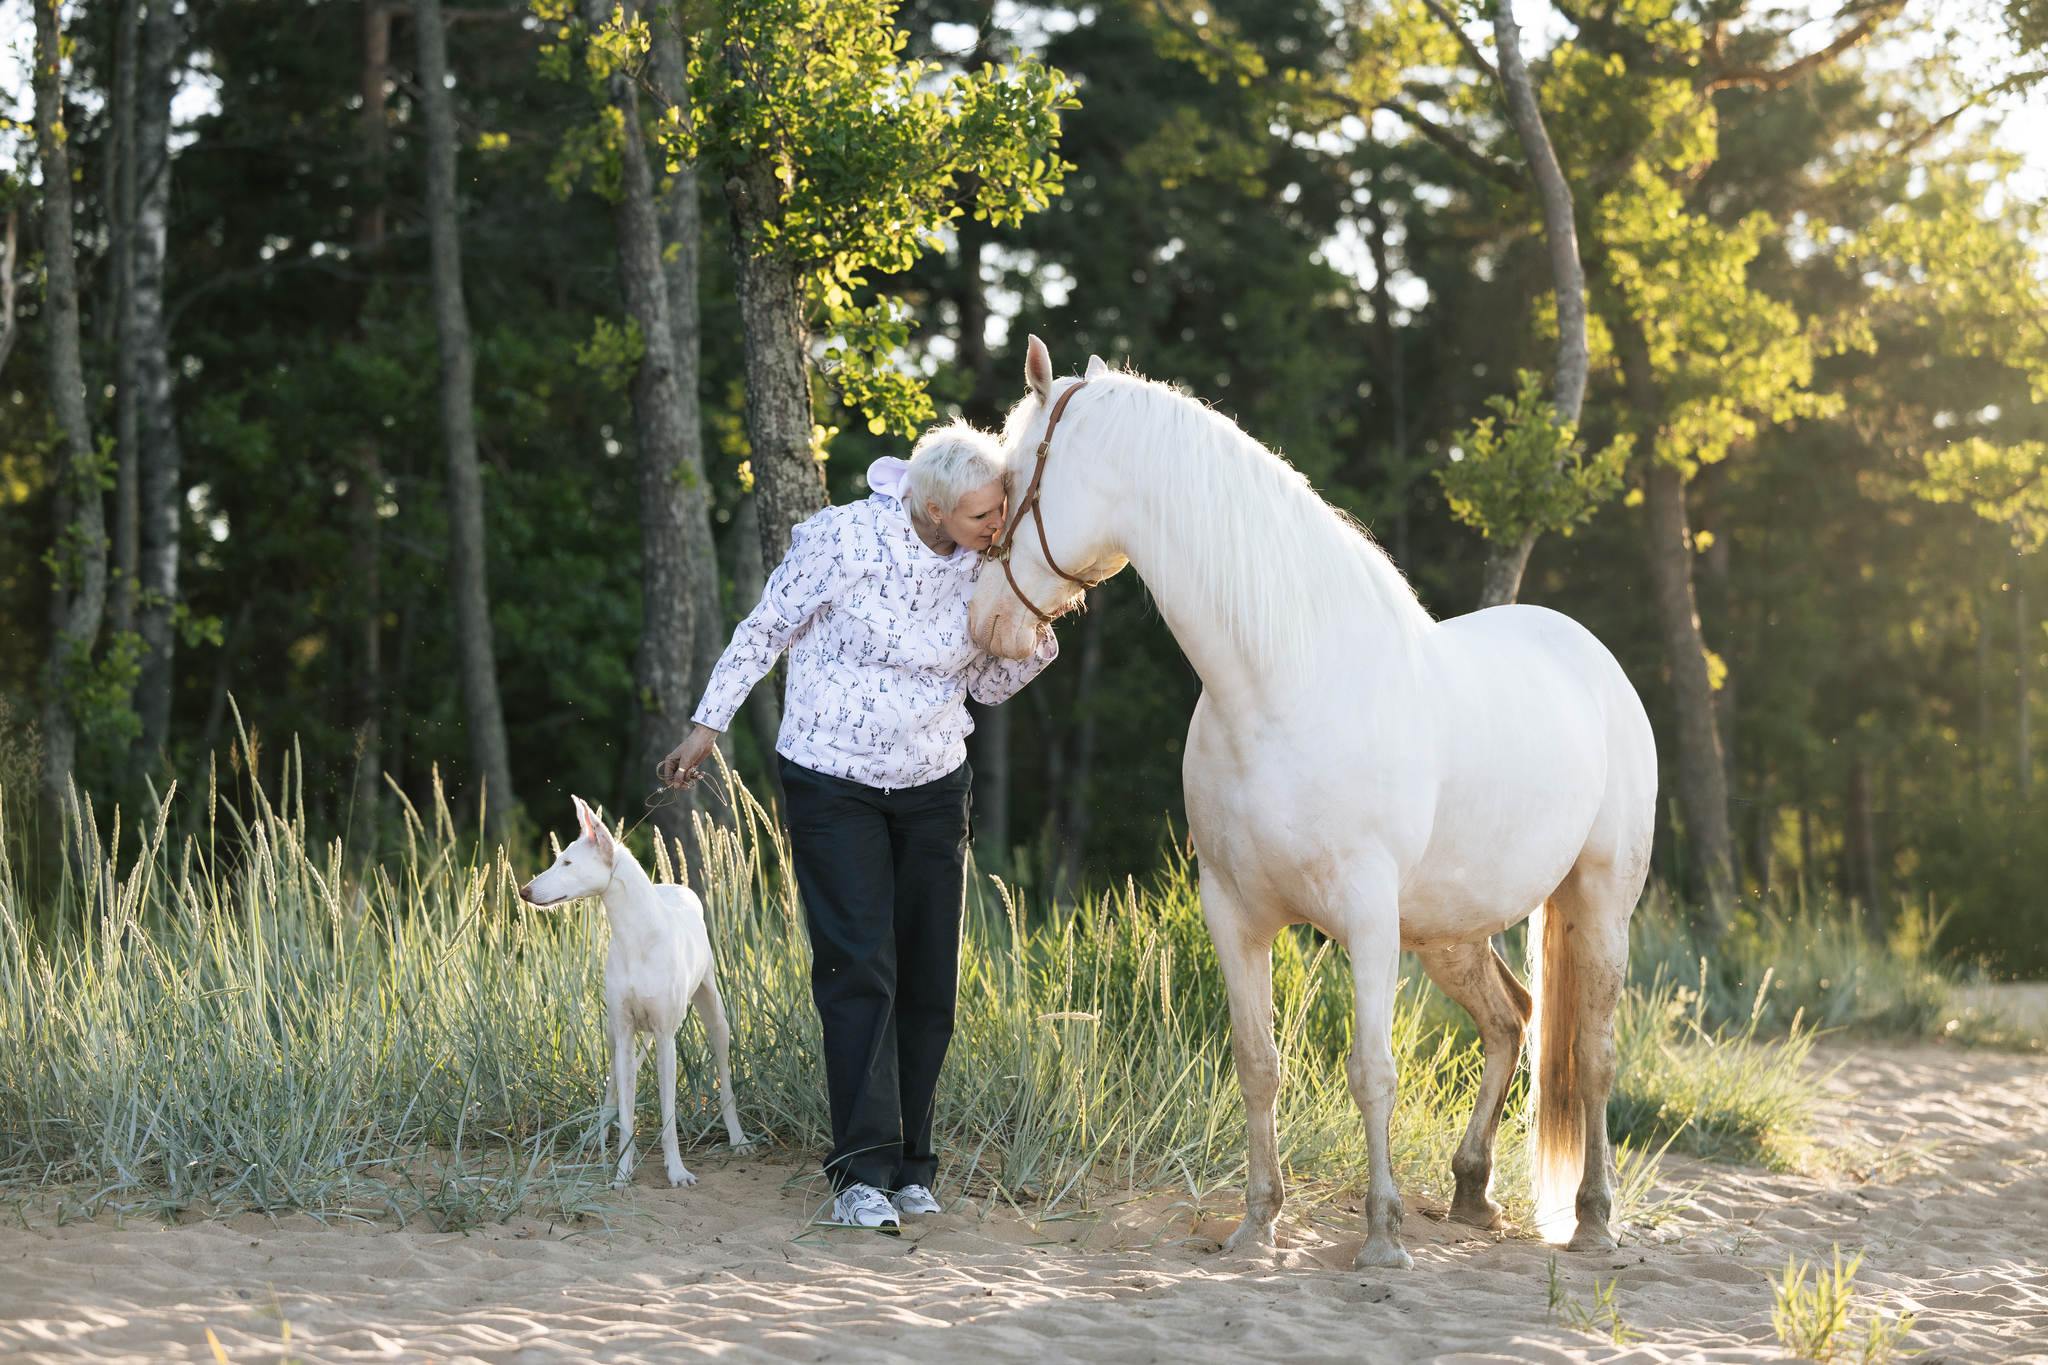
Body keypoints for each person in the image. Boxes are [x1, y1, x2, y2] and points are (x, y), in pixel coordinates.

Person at [658, 423, 1058, 1231]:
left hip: (934, 784)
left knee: (927, 980)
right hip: (832, 779)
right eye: (985, 514)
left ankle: (913, 1165)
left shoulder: (985, 560)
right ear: (934, 507)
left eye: (1001, 510)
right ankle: (860, 1175)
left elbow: (986, 683)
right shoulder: (840, 538)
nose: (998, 524)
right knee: (859, 967)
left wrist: (1038, 633)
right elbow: (766, 627)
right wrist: (708, 724)